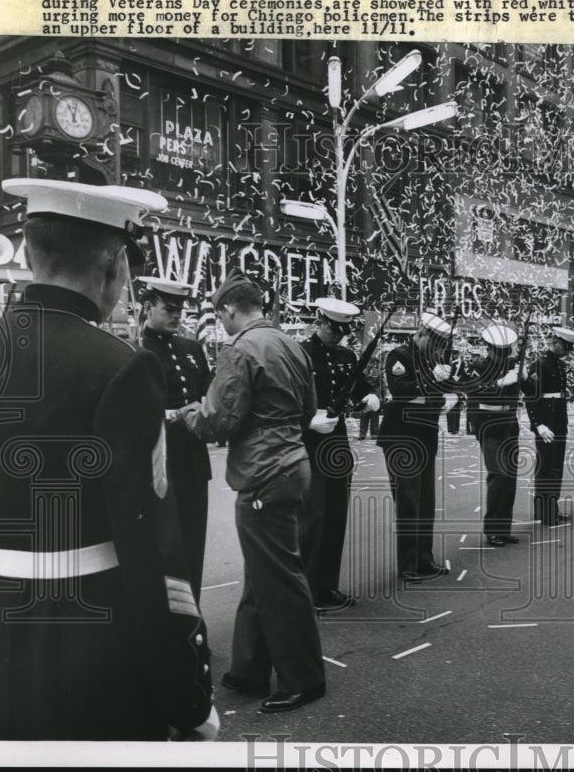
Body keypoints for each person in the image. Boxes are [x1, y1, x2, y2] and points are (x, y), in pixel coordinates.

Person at [0, 178, 215, 740]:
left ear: (32, 250)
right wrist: (187, 695)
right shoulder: (121, 368)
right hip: (93, 641)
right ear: (113, 263)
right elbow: (152, 549)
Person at [180, 269, 325, 715]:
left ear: (228, 309)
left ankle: (304, 679)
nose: (220, 322)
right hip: (293, 463)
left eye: (219, 314)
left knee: (280, 580)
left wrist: (188, 415)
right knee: (266, 570)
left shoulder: (239, 349)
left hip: (263, 472)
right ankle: (248, 667)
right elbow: (309, 409)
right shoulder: (290, 343)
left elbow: (219, 421)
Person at [300, 298, 381, 611]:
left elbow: (357, 383)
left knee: (335, 516)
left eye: (342, 332)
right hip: (309, 441)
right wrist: (308, 420)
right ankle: (305, 591)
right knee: (312, 519)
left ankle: (326, 587)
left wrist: (370, 395)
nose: (338, 336)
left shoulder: (346, 354)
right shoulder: (300, 354)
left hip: (336, 442)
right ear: (319, 322)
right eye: (333, 330)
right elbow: (289, 397)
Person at [139, 277, 213, 600]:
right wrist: (174, 414)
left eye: (179, 310)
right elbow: (133, 411)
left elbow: (210, 393)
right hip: (160, 469)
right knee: (164, 554)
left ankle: (193, 629)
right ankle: (168, 632)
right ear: (147, 307)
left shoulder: (191, 348)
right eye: (168, 309)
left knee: (193, 551)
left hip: (194, 465)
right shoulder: (136, 350)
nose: (176, 316)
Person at [377, 312, 454, 581]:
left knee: (425, 501)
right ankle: (408, 564)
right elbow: (400, 391)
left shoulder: (435, 360)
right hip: (401, 436)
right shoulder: (398, 355)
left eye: (440, 347)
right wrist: (431, 379)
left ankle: (424, 558)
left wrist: (447, 398)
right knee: (409, 501)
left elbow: (435, 398)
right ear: (421, 334)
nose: (437, 351)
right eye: (434, 345)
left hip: (425, 436)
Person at [466, 323, 524, 545]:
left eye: (506, 352)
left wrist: (526, 376)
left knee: (509, 477)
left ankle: (503, 528)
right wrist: (501, 382)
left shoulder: (511, 364)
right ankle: (492, 528)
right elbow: (476, 391)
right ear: (489, 349)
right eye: (499, 352)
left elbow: (527, 390)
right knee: (498, 475)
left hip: (509, 424)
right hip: (489, 426)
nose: (503, 356)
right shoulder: (478, 367)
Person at [523, 326, 574, 523]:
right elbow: (531, 396)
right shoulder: (541, 364)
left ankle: (551, 508)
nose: (568, 351)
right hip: (546, 421)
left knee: (556, 466)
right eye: (566, 347)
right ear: (555, 344)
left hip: (558, 421)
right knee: (546, 467)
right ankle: (545, 512)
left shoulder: (558, 364)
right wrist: (538, 424)